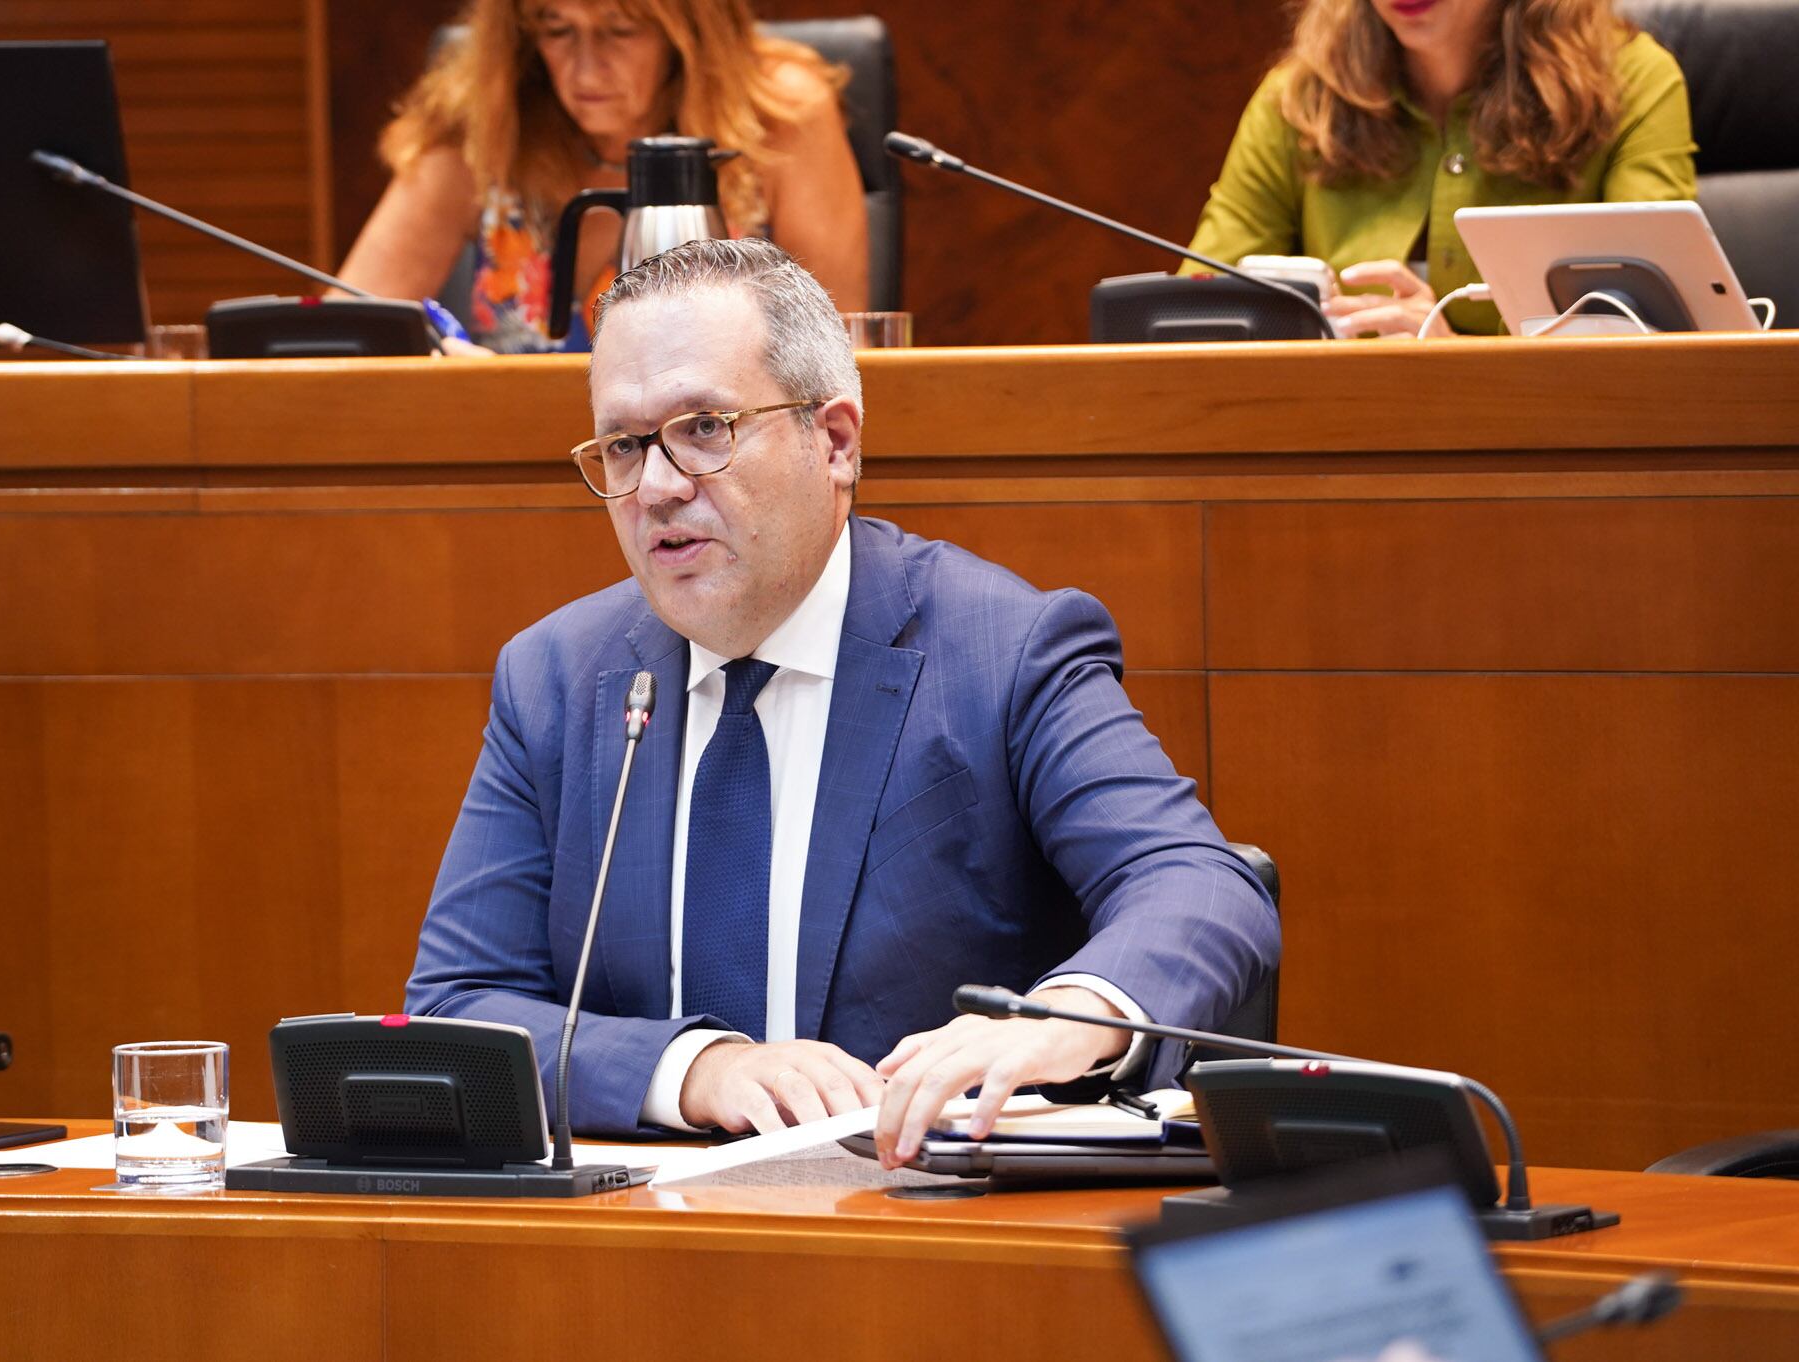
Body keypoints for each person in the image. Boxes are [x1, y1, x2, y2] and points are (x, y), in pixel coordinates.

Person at [406, 238, 1278, 1163]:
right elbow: (459, 1007)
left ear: (835, 441)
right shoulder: (557, 678)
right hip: (644, 1248)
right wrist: (697, 1070)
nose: (657, 486)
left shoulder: (1001, 651)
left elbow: (1200, 885)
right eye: (625, 445)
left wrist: (1059, 1017)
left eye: (705, 427)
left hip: (926, 1238)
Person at [335, 0, 868, 352]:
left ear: (686, 33)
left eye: (620, 29)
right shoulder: (480, 126)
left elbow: (836, 357)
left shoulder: (779, 118)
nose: (585, 70)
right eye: (557, 29)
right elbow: (347, 333)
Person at [1187, 0, 1695, 336]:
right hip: (1343, 437)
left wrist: (1451, 357)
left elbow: (1652, 341)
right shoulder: (1298, 96)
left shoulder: (1631, 82)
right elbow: (1195, 315)